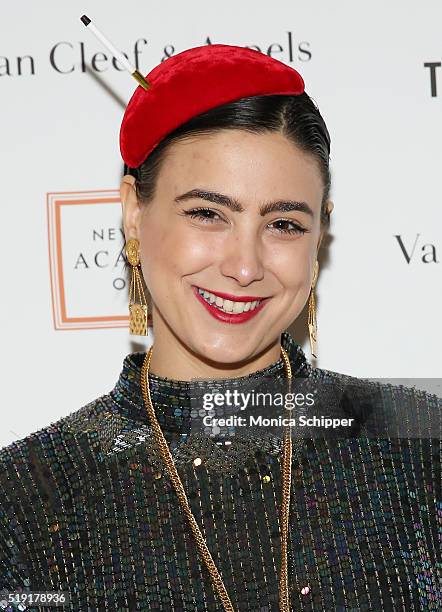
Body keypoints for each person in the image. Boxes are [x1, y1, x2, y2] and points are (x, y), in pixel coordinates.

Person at [0, 44, 440, 612]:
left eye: (282, 223)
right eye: (208, 213)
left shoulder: (419, 447)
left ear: (318, 235)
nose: (245, 265)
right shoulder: (26, 502)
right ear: (134, 211)